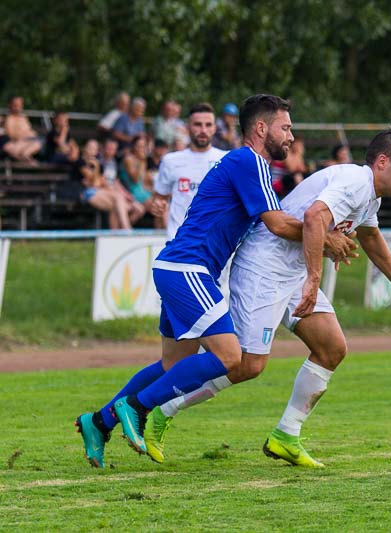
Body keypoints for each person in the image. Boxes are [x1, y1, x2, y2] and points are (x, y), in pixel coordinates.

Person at [74, 94, 356, 468]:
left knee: (172, 364)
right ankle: (137, 408)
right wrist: (324, 237)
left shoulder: (245, 166)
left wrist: (321, 236)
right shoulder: (249, 161)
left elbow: (272, 226)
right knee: (230, 356)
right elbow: (276, 224)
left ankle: (98, 422)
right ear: (261, 128)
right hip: (188, 269)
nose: (291, 136)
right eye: (285, 127)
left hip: (178, 267)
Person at [145, 130, 391, 468]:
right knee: (247, 365)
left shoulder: (371, 197)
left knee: (332, 348)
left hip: (292, 273)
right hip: (263, 268)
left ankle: (286, 435)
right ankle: (163, 410)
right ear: (382, 162)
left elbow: (371, 236)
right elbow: (315, 217)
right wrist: (314, 279)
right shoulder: (355, 181)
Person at [152, 102, 228, 240]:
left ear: (214, 128)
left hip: (214, 243)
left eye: (208, 125)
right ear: (187, 127)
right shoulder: (170, 160)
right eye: (198, 124)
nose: (203, 130)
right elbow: (159, 199)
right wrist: (157, 206)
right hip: (179, 242)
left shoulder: (226, 160)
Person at [75, 139, 139, 230]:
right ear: (85, 148)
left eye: (94, 149)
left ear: (97, 151)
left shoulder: (98, 164)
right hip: (85, 193)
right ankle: (127, 229)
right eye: (90, 147)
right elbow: (94, 183)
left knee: (116, 204)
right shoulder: (81, 162)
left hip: (98, 191)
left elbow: (101, 183)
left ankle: (116, 233)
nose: (92, 151)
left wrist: (97, 173)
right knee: (118, 201)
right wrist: (96, 168)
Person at [120, 135, 164, 228]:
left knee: (160, 205)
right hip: (131, 192)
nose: (142, 149)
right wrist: (141, 161)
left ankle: (160, 232)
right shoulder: (129, 159)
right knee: (157, 207)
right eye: (139, 146)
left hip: (142, 191)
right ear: (134, 147)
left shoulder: (143, 160)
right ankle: (122, 229)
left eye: (143, 146)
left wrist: (152, 190)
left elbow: (143, 182)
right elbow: (135, 180)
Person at [2, 96, 42, 164]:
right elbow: (11, 135)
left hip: (32, 140)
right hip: (23, 142)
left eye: (20, 105)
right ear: (10, 105)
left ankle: (26, 157)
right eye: (15, 105)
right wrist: (24, 136)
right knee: (37, 144)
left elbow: (29, 131)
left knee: (39, 142)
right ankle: (25, 157)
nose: (18, 107)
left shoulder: (23, 117)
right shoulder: (9, 119)